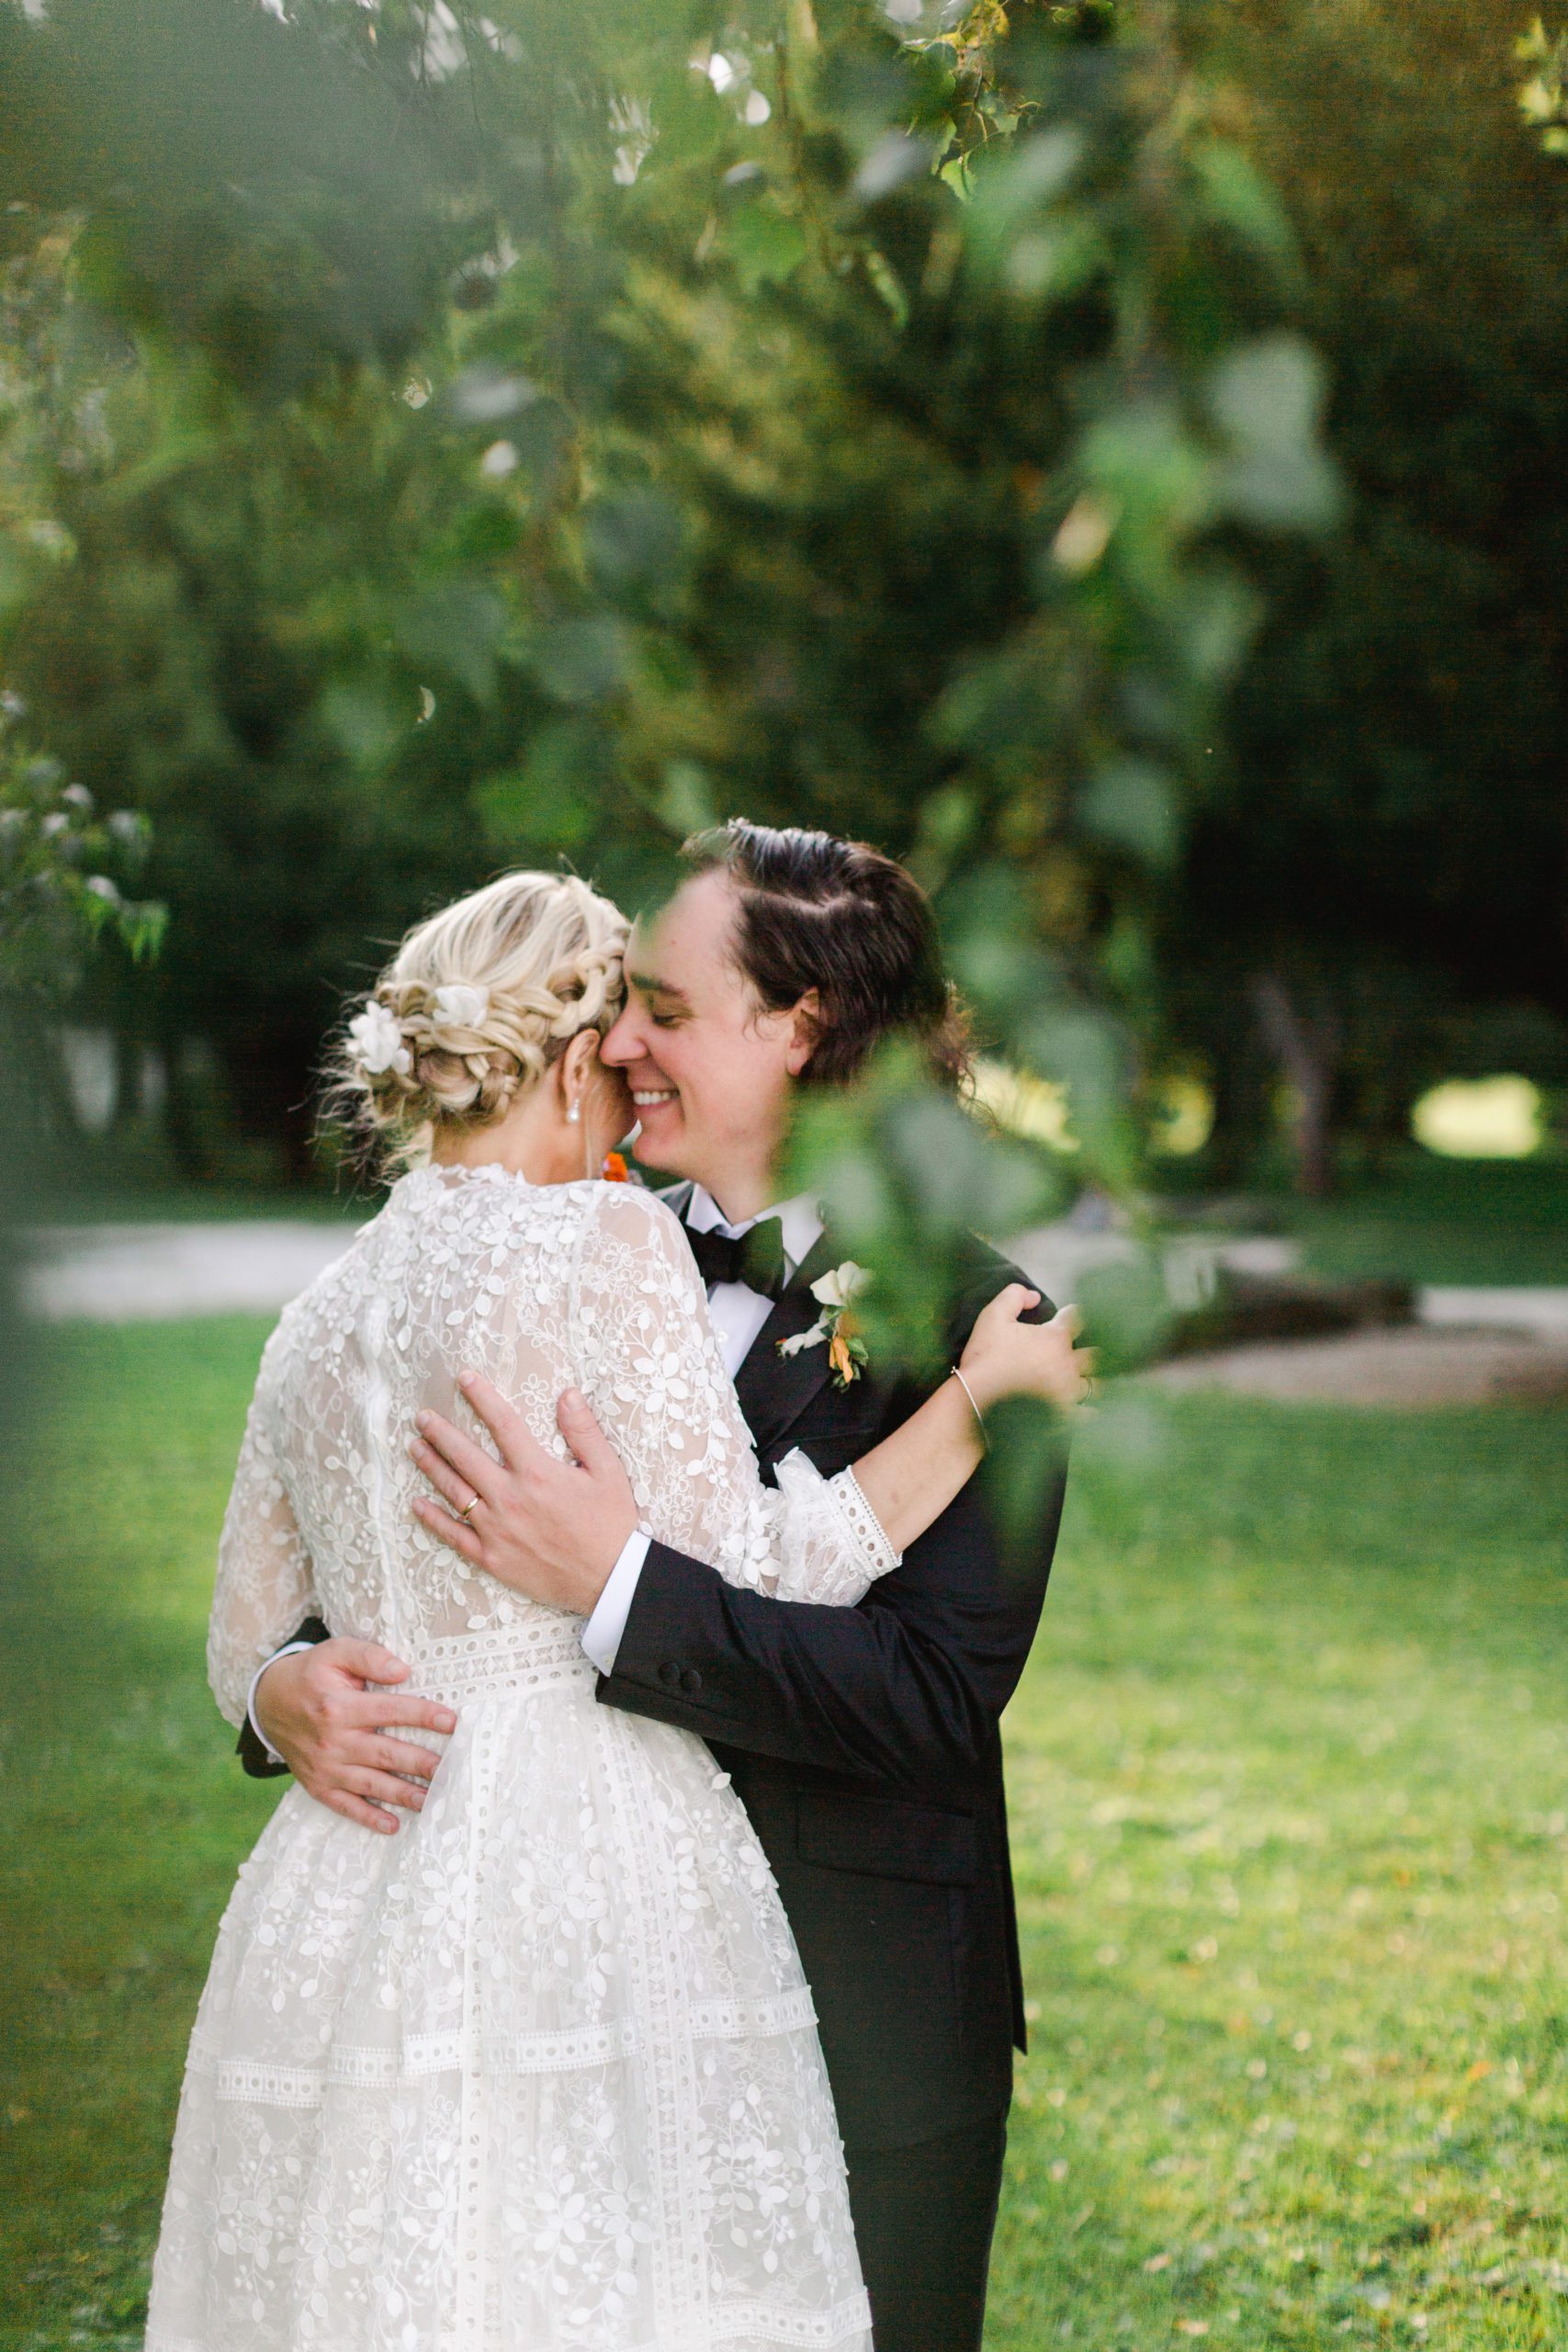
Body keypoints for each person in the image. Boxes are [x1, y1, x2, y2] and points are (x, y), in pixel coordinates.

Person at [150, 863, 1089, 2352]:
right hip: (556, 1953)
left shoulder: (979, 1314)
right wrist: (285, 1692)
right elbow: (364, 1595)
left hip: (859, 1991)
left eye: (667, 1011)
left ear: (800, 1026)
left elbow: (923, 1697)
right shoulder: (598, 1241)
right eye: (622, 1012)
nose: (633, 1048)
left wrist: (617, 1587)